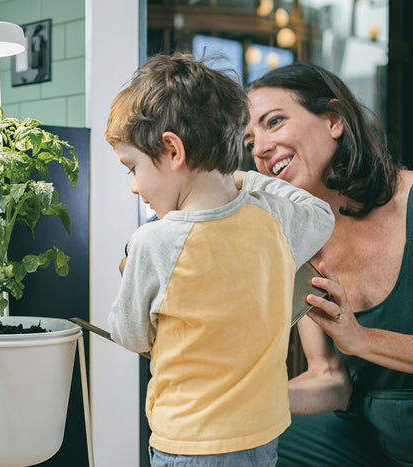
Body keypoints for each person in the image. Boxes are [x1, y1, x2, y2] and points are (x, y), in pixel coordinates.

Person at [105, 53, 334, 467]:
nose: (135, 186)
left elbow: (129, 335)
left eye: (132, 168)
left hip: (189, 444)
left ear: (172, 150)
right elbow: (319, 214)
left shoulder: (153, 243)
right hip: (262, 438)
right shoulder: (273, 219)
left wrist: (131, 278)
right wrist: (242, 178)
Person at [244, 62, 413, 466]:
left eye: (275, 122)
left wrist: (361, 339)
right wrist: (241, 401)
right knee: (247, 449)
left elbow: (354, 343)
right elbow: (331, 379)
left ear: (334, 120)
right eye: (249, 140)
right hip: (370, 435)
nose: (260, 149)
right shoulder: (302, 245)